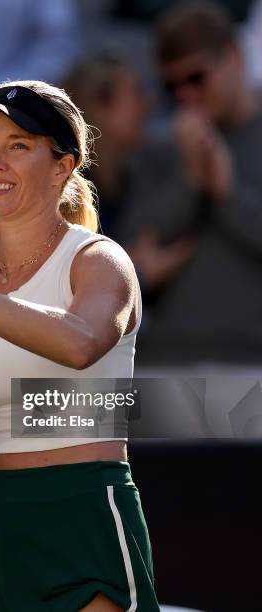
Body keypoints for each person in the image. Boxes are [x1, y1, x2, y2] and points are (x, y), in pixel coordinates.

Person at [0, 80, 160, 611]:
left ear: (63, 167)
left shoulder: (99, 260)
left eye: (18, 145)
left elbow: (79, 343)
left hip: (83, 515)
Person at [117, 1, 262, 437]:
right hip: (159, 365)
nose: (186, 96)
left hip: (250, 366)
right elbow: (131, 255)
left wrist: (228, 193)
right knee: (36, 415)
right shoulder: (161, 150)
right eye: (172, 85)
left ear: (233, 58)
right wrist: (191, 183)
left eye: (197, 78)